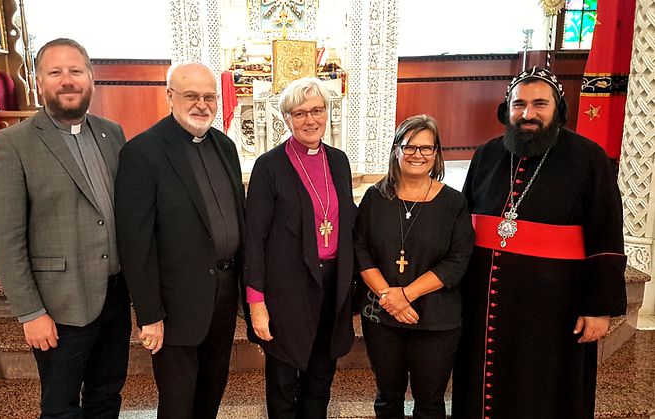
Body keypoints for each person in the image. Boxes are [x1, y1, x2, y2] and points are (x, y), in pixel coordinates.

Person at [452, 66, 627, 418]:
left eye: (539, 104)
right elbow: (462, 222)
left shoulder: (588, 157)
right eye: (519, 104)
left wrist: (598, 307)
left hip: (554, 308)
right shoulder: (487, 154)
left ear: (558, 109)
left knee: (544, 389)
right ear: (507, 109)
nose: (527, 114)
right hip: (485, 303)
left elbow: (606, 233)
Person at [0, 38, 131, 418]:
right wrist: (30, 312)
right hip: (60, 304)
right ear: (39, 81)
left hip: (114, 295)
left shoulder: (111, 133)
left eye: (76, 71)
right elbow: (5, 237)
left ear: (91, 79)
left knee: (107, 393)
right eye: (56, 72)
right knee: (61, 404)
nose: (67, 80)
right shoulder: (12, 143)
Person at [114, 62, 245, 419]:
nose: (202, 105)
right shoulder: (143, 152)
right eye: (191, 96)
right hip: (174, 303)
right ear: (170, 96)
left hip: (223, 294)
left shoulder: (225, 146)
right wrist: (149, 314)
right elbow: (134, 242)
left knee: (211, 391)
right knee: (177, 402)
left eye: (208, 97)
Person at [244, 77, 356, 419]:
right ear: (287, 118)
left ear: (327, 113)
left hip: (332, 284)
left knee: (321, 377)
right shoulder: (269, 166)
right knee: (283, 381)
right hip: (286, 290)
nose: (310, 120)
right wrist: (256, 303)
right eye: (300, 112)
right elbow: (254, 238)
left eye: (317, 110)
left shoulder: (339, 161)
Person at [354, 115, 474, 419]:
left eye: (426, 148)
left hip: (436, 321)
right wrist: (388, 296)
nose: (417, 155)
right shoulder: (374, 197)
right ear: (397, 150)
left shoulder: (454, 203)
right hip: (382, 318)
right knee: (387, 399)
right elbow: (361, 250)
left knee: (430, 403)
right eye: (409, 147)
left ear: (436, 154)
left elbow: (457, 261)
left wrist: (404, 295)